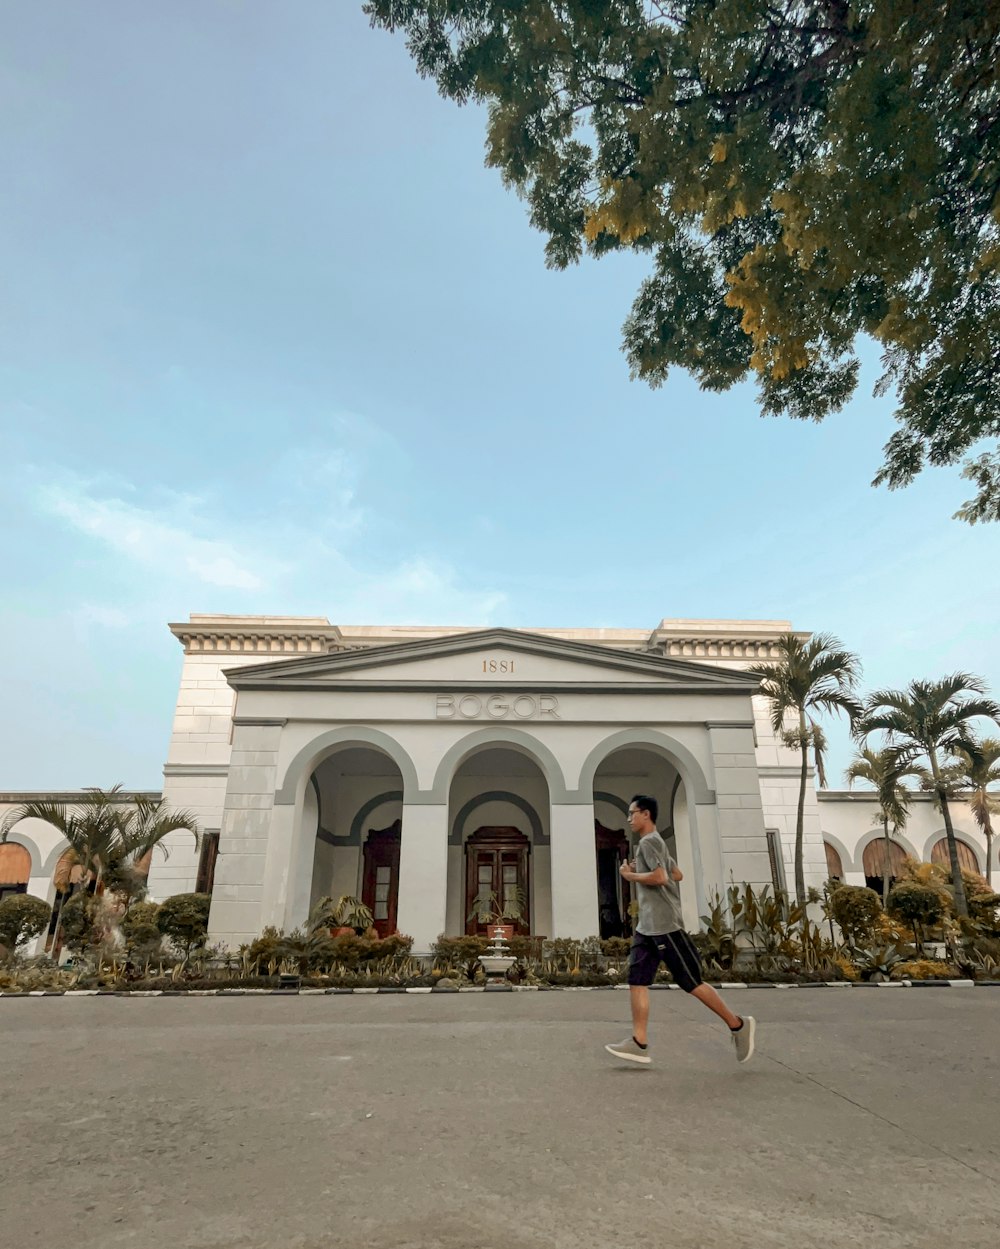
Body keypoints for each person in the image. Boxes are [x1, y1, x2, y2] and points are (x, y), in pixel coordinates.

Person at [605, 794, 755, 1066]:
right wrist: (643, 869)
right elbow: (677, 874)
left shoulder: (649, 842)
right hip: (646, 928)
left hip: (665, 926)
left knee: (692, 982)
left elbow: (662, 878)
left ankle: (738, 1025)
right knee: (637, 981)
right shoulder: (655, 843)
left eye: (632, 813)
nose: (629, 818)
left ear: (645, 814)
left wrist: (631, 876)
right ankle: (639, 1042)